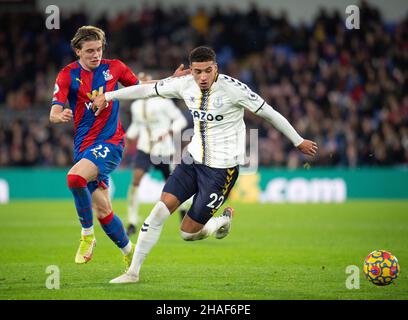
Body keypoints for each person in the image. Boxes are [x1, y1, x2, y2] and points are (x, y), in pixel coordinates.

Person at [93, 46, 318, 283]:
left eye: (207, 71)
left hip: (221, 171)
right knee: (159, 211)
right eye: (197, 71)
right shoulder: (184, 84)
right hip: (191, 160)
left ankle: (221, 221)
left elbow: (269, 113)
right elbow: (147, 90)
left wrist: (298, 140)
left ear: (216, 68)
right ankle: (133, 273)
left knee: (187, 233)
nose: (202, 77)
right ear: (191, 70)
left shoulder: (234, 89)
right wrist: (107, 97)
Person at [49, 25, 189, 270]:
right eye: (90, 50)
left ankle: (86, 236)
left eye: (99, 49)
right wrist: (57, 115)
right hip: (84, 148)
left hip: (111, 143)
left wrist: (171, 81)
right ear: (77, 52)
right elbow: (54, 110)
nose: (96, 55)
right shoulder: (67, 75)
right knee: (103, 209)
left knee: (74, 178)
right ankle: (130, 252)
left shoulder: (115, 68)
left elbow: (142, 87)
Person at [125, 72, 190, 236]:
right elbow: (136, 126)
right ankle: (132, 221)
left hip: (164, 149)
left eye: (146, 81)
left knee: (175, 183)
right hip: (145, 148)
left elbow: (180, 120)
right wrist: (127, 138)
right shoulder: (136, 105)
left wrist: (169, 131)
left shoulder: (163, 102)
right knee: (136, 179)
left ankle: (183, 210)